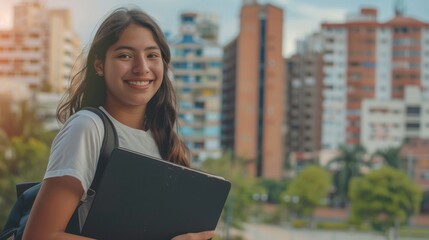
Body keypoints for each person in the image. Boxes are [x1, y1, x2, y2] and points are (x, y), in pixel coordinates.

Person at [23, 7, 215, 240]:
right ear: (99, 65)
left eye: (152, 55)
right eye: (125, 55)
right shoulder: (87, 128)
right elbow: (39, 236)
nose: (141, 67)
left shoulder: (165, 138)